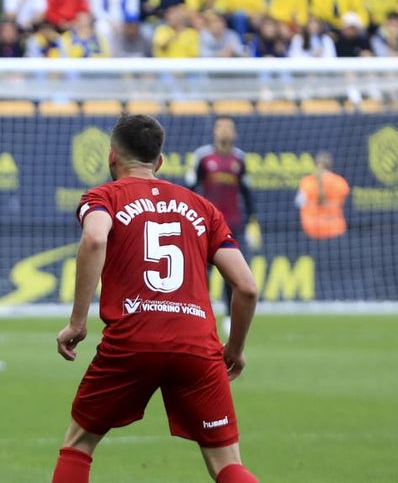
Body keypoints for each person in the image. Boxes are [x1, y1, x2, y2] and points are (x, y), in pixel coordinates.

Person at [52, 114, 259, 483]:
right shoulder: (202, 207)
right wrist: (236, 348)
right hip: (197, 344)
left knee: (78, 444)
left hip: (132, 340)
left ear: (111, 156)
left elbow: (96, 238)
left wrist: (78, 322)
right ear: (159, 162)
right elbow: (246, 287)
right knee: (227, 463)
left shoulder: (103, 197)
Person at [186, 116, 258, 332]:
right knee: (200, 272)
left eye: (229, 127)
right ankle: (202, 313)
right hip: (205, 225)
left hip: (231, 225)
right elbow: (190, 189)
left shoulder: (240, 160)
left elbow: (247, 193)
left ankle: (229, 315)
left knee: (231, 274)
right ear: (214, 131)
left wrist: (253, 222)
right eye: (220, 127)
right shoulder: (203, 157)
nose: (224, 131)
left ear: (235, 133)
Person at [296, 152, 350, 241]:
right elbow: (343, 202)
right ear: (330, 165)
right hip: (335, 230)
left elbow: (299, 203)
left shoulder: (307, 181)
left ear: (315, 164)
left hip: (312, 231)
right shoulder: (340, 182)